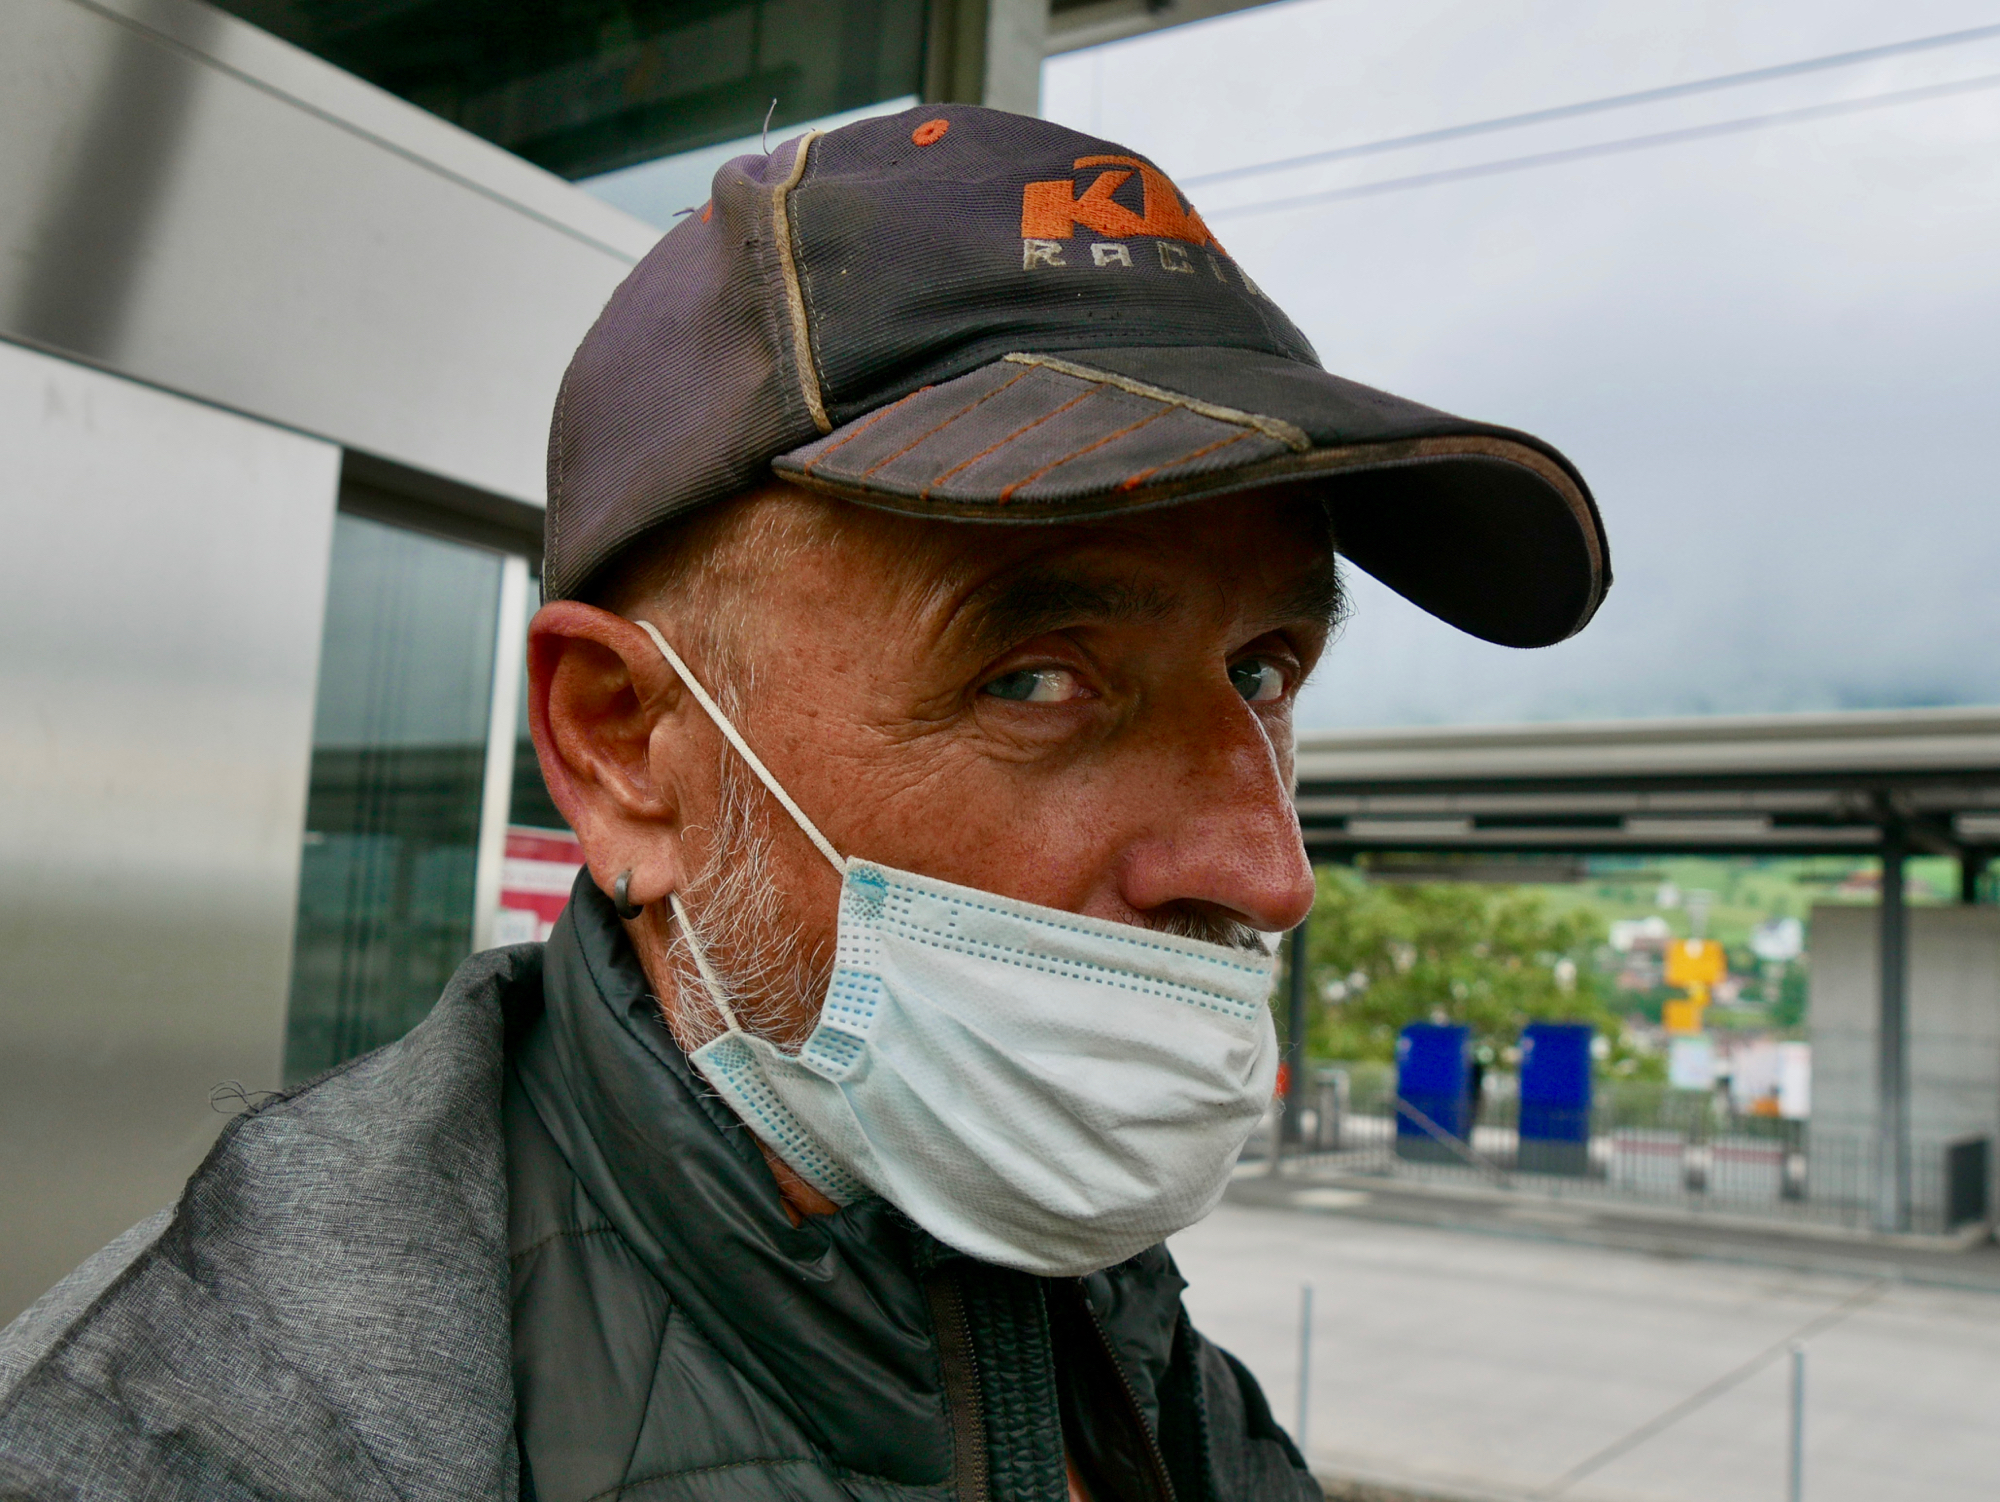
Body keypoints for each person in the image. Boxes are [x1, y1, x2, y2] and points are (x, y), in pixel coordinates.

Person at [0, 106, 1608, 1501]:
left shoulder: (1113, 1330)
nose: (1268, 870)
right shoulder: (209, 1433)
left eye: (1262, 671)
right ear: (626, 747)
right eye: (1035, 678)